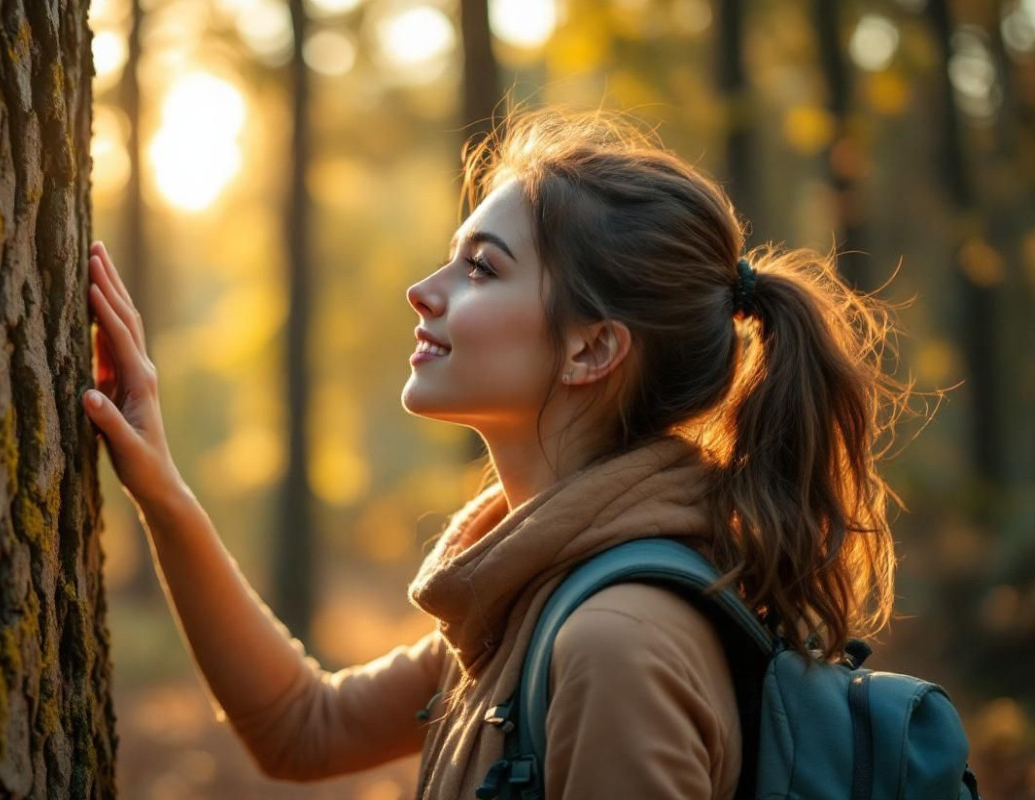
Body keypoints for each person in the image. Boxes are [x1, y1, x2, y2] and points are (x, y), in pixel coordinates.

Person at [78, 107, 910, 798]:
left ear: (591, 350)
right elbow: (305, 728)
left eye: (480, 268)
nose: (422, 291)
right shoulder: (531, 595)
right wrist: (163, 492)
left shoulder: (615, 645)